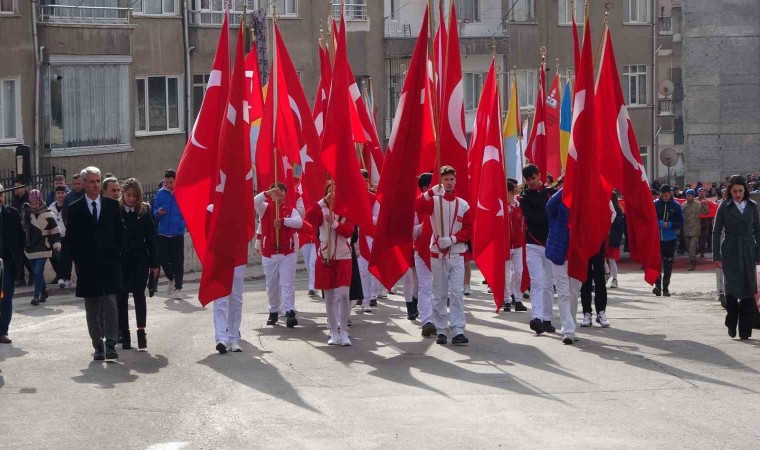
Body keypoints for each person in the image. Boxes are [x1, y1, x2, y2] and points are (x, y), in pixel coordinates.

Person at [65, 166, 124, 361]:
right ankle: (98, 345)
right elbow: (71, 240)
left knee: (110, 305)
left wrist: (117, 256)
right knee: (92, 307)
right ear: (83, 184)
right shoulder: (74, 209)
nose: (96, 185)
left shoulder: (112, 206)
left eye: (98, 181)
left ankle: (111, 343)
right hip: (88, 266)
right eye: (92, 181)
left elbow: (118, 234)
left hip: (109, 264)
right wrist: (78, 262)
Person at [415, 165, 473, 346]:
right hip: (437, 254)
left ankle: (457, 330)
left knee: (456, 293)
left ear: (455, 181)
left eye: (451, 179)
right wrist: (430, 193)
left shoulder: (463, 205)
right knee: (439, 293)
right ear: (441, 181)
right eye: (445, 179)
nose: (449, 183)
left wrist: (453, 239)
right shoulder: (434, 201)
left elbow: (469, 229)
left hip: (456, 254)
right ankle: (441, 329)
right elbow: (417, 206)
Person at [305, 184, 355, 346]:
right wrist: (322, 202)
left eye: (336, 191)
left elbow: (348, 232)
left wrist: (333, 223)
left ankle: (344, 331)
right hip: (325, 257)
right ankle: (333, 332)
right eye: (329, 192)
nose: (333, 194)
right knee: (329, 298)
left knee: (343, 294)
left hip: (343, 257)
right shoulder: (321, 210)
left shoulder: (348, 210)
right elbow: (309, 217)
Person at [712, 175, 760, 340]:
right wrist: (716, 255)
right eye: (735, 191)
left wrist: (758, 252)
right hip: (730, 250)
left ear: (745, 190)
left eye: (740, 190)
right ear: (729, 191)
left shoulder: (753, 206)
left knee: (748, 288)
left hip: (748, 249)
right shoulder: (724, 207)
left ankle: (745, 331)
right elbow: (716, 231)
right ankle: (731, 321)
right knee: (731, 288)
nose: (738, 194)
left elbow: (758, 230)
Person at [118, 179, 159, 351]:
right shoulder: (116, 210)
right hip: (121, 261)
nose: (132, 199)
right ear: (123, 194)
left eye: (135, 196)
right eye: (129, 195)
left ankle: (141, 333)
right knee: (121, 298)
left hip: (139, 261)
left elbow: (152, 238)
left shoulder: (145, 210)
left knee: (139, 296)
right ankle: (124, 334)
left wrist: (155, 263)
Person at [255, 184, 302, 328]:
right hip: (269, 254)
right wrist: (267, 193)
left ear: (285, 194)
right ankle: (273, 311)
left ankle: (289, 311)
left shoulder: (290, 210)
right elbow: (254, 202)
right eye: (276, 191)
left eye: (282, 190)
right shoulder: (264, 207)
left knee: (288, 283)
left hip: (287, 253)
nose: (279, 193)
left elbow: (299, 223)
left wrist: (283, 221)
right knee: (272, 285)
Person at [520, 164, 558, 334]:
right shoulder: (525, 198)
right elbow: (531, 219)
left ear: (539, 175)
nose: (531, 182)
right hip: (533, 244)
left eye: (533, 178)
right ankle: (536, 317)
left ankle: (547, 319)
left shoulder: (551, 193)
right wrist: (547, 211)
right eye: (528, 180)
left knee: (549, 283)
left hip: (550, 244)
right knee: (537, 282)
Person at [545, 188, 581, 344]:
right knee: (563, 293)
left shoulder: (583, 207)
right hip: (559, 255)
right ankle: (568, 330)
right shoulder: (558, 206)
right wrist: (567, 186)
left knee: (574, 293)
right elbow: (549, 206)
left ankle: (571, 324)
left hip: (577, 257)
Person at [21, 190, 62, 306]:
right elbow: (22, 228)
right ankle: (43, 292)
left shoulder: (48, 214)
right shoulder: (27, 213)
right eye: (32, 202)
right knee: (36, 272)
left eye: (36, 202)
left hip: (44, 246)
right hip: (30, 247)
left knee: (38, 271)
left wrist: (57, 245)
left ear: (40, 201)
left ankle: (36, 295)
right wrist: (24, 212)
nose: (34, 205)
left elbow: (55, 231)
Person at [153, 169, 186, 299]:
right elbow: (154, 211)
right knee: (163, 259)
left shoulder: (182, 192)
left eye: (170, 182)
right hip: (163, 233)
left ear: (176, 180)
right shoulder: (161, 194)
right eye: (166, 182)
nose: (168, 184)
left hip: (177, 234)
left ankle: (178, 288)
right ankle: (170, 278)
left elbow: (187, 212)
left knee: (178, 262)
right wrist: (158, 213)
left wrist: (181, 225)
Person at [0, 184, 26, 344]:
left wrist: (16, 256)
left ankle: (2, 331)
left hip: (7, 265)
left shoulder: (12, 213)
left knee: (5, 298)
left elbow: (21, 237)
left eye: (1, 194)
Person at [414, 173, 435, 337]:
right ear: (426, 188)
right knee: (426, 287)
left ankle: (439, 320)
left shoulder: (442, 203)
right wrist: (424, 227)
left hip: (440, 251)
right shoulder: (416, 205)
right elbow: (411, 232)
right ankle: (427, 321)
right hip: (421, 252)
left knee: (440, 288)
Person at [653, 185, 684, 297]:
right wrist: (658, 223)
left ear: (670, 194)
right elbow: (649, 219)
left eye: (666, 196)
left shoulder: (676, 206)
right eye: (662, 195)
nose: (664, 198)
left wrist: (670, 225)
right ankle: (657, 286)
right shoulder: (655, 204)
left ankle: (665, 288)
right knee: (656, 263)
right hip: (657, 238)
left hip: (670, 239)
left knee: (668, 263)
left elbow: (681, 222)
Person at [357, 170, 380, 312]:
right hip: (355, 238)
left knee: (370, 268)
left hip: (370, 236)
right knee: (361, 271)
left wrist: (364, 220)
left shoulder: (374, 198)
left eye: (364, 181)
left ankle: (372, 295)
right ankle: (363, 298)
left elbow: (379, 218)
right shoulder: (352, 198)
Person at [505, 180, 528, 312]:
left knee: (518, 271)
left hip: (518, 244)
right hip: (505, 245)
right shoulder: (501, 206)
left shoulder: (520, 204)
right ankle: (506, 299)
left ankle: (517, 298)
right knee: (506, 273)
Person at [48, 186, 72, 289]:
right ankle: (60, 277)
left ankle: (67, 278)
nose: (61, 195)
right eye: (58, 193)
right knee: (55, 258)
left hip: (66, 236)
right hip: (55, 237)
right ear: (55, 195)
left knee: (66, 258)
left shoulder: (69, 206)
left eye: (63, 192)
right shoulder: (51, 208)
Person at [11, 178, 32, 287]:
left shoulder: (28, 198)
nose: (15, 189)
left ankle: (31, 273)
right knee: (20, 255)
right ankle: (21, 278)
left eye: (18, 187)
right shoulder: (14, 200)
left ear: (23, 187)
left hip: (27, 230)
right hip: (17, 230)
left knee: (24, 255)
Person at [682, 189, 708, 271]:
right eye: (687, 195)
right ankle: (692, 258)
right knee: (689, 248)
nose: (687, 197)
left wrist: (705, 205)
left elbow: (706, 212)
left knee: (692, 247)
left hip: (695, 229)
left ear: (693, 196)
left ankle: (691, 264)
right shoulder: (683, 205)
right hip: (686, 229)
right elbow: (680, 216)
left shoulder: (698, 204)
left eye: (689, 195)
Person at [607, 192, 625, 289]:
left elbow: (618, 228)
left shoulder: (618, 214)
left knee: (611, 259)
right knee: (603, 258)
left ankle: (614, 279)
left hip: (612, 240)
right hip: (607, 238)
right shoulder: (616, 212)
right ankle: (607, 274)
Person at [697, 188, 714, 257]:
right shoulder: (694, 200)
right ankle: (696, 250)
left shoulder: (708, 201)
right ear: (698, 193)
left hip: (705, 222)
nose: (701, 193)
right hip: (696, 222)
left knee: (703, 238)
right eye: (700, 192)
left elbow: (710, 210)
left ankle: (702, 252)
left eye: (703, 192)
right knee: (696, 237)